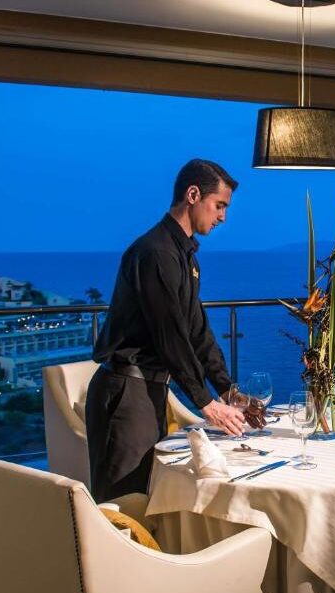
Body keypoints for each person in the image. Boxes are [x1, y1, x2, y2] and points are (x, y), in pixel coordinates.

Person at [86, 158, 265, 502]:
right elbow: (170, 336)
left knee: (144, 497)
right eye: (219, 205)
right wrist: (206, 404)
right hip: (126, 393)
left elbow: (198, 333)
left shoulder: (184, 258)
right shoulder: (155, 253)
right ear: (193, 195)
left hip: (149, 391)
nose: (223, 217)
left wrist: (228, 392)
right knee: (120, 505)